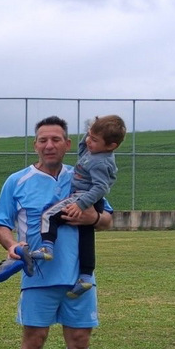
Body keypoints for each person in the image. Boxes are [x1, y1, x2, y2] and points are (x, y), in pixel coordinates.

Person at [0, 116, 113, 349]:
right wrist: (12, 245)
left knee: (80, 339)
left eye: (56, 139)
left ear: (68, 144)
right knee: (34, 338)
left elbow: (107, 219)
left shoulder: (83, 175)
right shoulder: (17, 181)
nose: (49, 145)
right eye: (43, 140)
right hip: (38, 276)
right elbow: (1, 223)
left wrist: (92, 217)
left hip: (78, 278)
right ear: (35, 144)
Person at [29, 114, 127, 298]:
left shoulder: (100, 162)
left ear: (111, 146)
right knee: (85, 237)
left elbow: (101, 187)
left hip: (82, 196)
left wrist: (80, 204)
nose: (89, 141)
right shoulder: (94, 152)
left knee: (48, 216)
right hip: (86, 198)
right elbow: (83, 146)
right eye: (89, 136)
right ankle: (86, 276)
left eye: (94, 140)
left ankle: (47, 247)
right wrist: (90, 131)